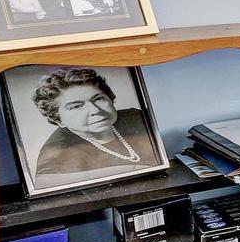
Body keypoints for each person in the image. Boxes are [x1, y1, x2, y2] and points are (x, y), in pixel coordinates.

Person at [30, 68, 161, 176]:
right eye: (77, 106)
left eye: (98, 99)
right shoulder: (56, 155)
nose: (94, 110)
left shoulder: (135, 117)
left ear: (110, 98)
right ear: (58, 119)